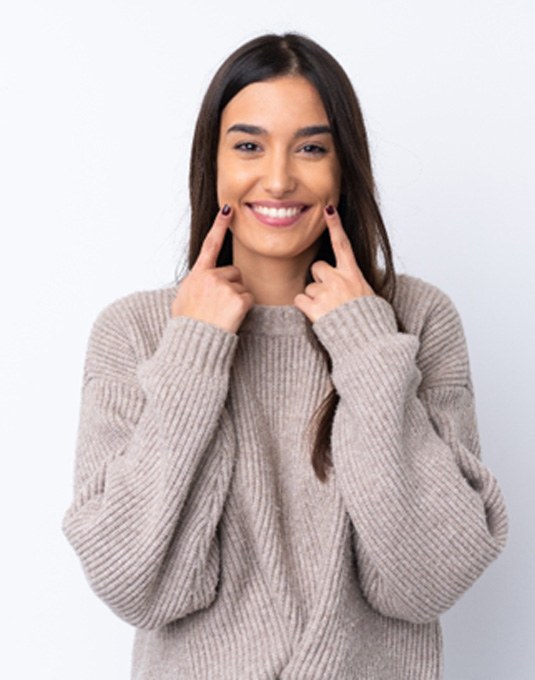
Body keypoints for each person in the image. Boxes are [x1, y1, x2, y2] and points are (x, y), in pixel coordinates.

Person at [62, 32, 508, 680]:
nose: (277, 177)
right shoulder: (135, 331)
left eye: (310, 148)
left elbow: (427, 581)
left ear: (342, 167)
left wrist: (364, 344)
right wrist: (193, 352)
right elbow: (135, 584)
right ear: (211, 163)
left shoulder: (414, 320)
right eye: (247, 145)